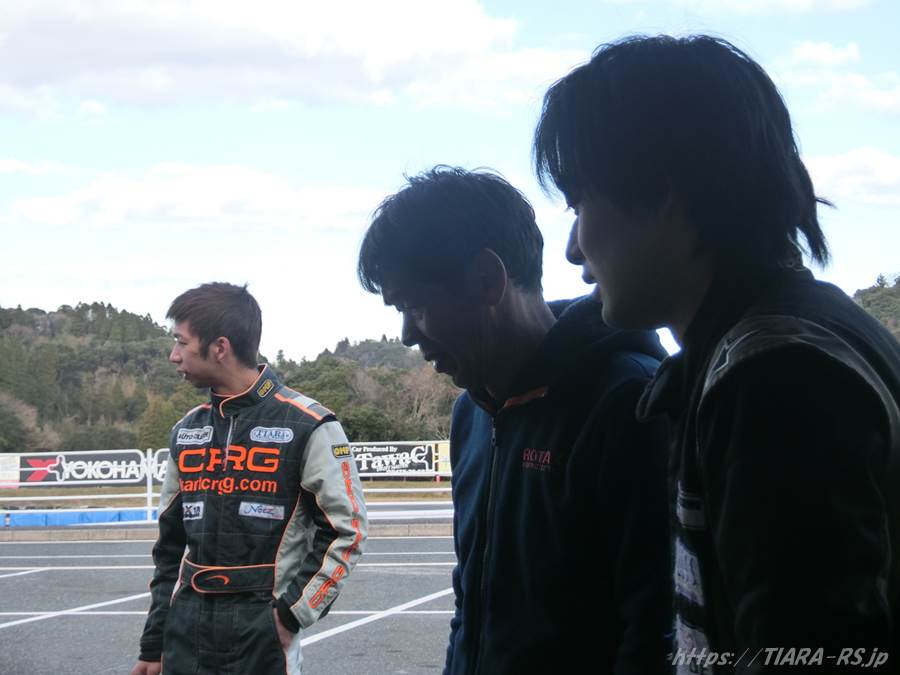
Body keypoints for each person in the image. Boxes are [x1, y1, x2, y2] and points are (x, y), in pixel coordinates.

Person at [535, 34, 900, 673]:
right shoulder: (804, 329)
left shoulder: (774, 375)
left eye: (579, 204)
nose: (572, 249)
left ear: (666, 192)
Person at [357, 166, 672, 675]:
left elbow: (655, 628)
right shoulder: (470, 413)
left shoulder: (629, 402)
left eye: (415, 305)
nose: (408, 335)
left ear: (487, 279)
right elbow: (470, 602)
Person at [131, 282, 366, 675]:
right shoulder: (186, 431)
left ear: (219, 347)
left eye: (181, 342)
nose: (174, 355)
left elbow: (348, 530)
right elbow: (169, 550)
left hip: (262, 631)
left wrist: (291, 615)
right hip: (185, 630)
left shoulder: (309, 424)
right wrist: (153, 645)